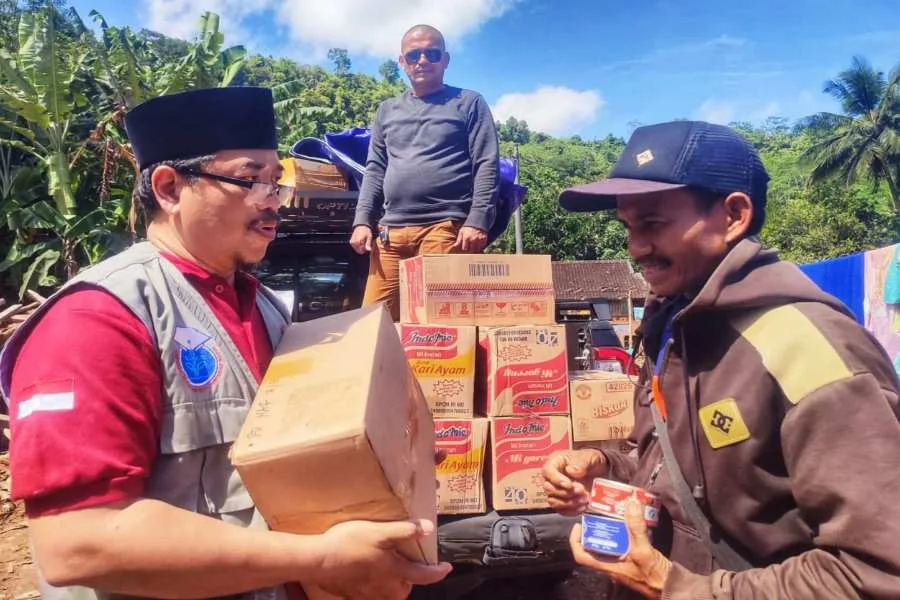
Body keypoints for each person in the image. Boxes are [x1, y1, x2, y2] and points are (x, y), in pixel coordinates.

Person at [0, 87, 451, 600]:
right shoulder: (97, 319)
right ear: (169, 188)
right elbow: (76, 542)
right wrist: (321, 558)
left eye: (274, 182)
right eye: (248, 180)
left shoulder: (265, 310)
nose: (271, 203)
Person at [542, 120, 900, 599]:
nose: (635, 248)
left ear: (734, 215)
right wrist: (604, 466)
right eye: (627, 227)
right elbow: (676, 471)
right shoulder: (674, 326)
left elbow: (877, 572)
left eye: (652, 224)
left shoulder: (810, 347)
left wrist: (675, 587)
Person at [350, 24, 500, 321]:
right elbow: (375, 167)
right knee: (371, 323)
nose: (422, 60)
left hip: (444, 229)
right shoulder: (387, 110)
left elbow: (486, 162)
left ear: (445, 60)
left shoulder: (468, 103)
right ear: (402, 61)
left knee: (440, 326)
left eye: (431, 53)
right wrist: (361, 221)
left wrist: (478, 221)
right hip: (391, 234)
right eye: (413, 54)